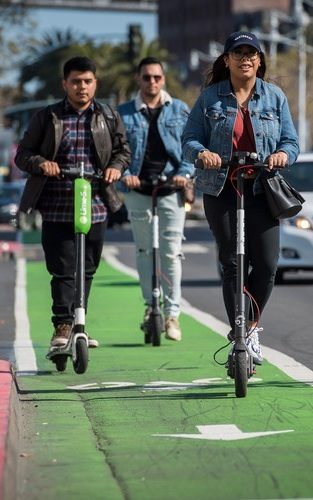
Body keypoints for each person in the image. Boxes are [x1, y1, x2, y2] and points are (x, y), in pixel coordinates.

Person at [182, 32, 299, 364]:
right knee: (233, 262)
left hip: (263, 188)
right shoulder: (210, 98)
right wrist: (202, 153)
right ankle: (239, 327)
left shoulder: (274, 97)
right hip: (222, 187)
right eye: (238, 52)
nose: (245, 58)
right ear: (226, 60)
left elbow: (291, 142)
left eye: (251, 53)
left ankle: (248, 327)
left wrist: (281, 156)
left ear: (259, 60)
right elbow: (189, 138)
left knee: (267, 264)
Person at [15, 56, 131, 349]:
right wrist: (42, 163)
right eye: (76, 81)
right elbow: (23, 154)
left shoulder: (107, 116)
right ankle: (63, 326)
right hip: (56, 204)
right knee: (63, 269)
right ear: (65, 84)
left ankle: (80, 322)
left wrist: (115, 166)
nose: (82, 87)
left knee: (88, 268)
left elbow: (123, 151)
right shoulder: (48, 117)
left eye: (87, 81)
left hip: (96, 203)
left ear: (95, 84)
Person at [118, 56, 194, 341]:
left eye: (157, 77)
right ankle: (150, 307)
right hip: (138, 188)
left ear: (163, 79)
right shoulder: (124, 113)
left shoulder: (179, 109)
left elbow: (190, 148)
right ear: (138, 79)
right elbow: (117, 151)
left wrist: (183, 173)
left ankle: (172, 314)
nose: (152, 82)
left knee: (171, 251)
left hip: (171, 189)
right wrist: (125, 173)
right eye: (147, 77)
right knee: (144, 250)